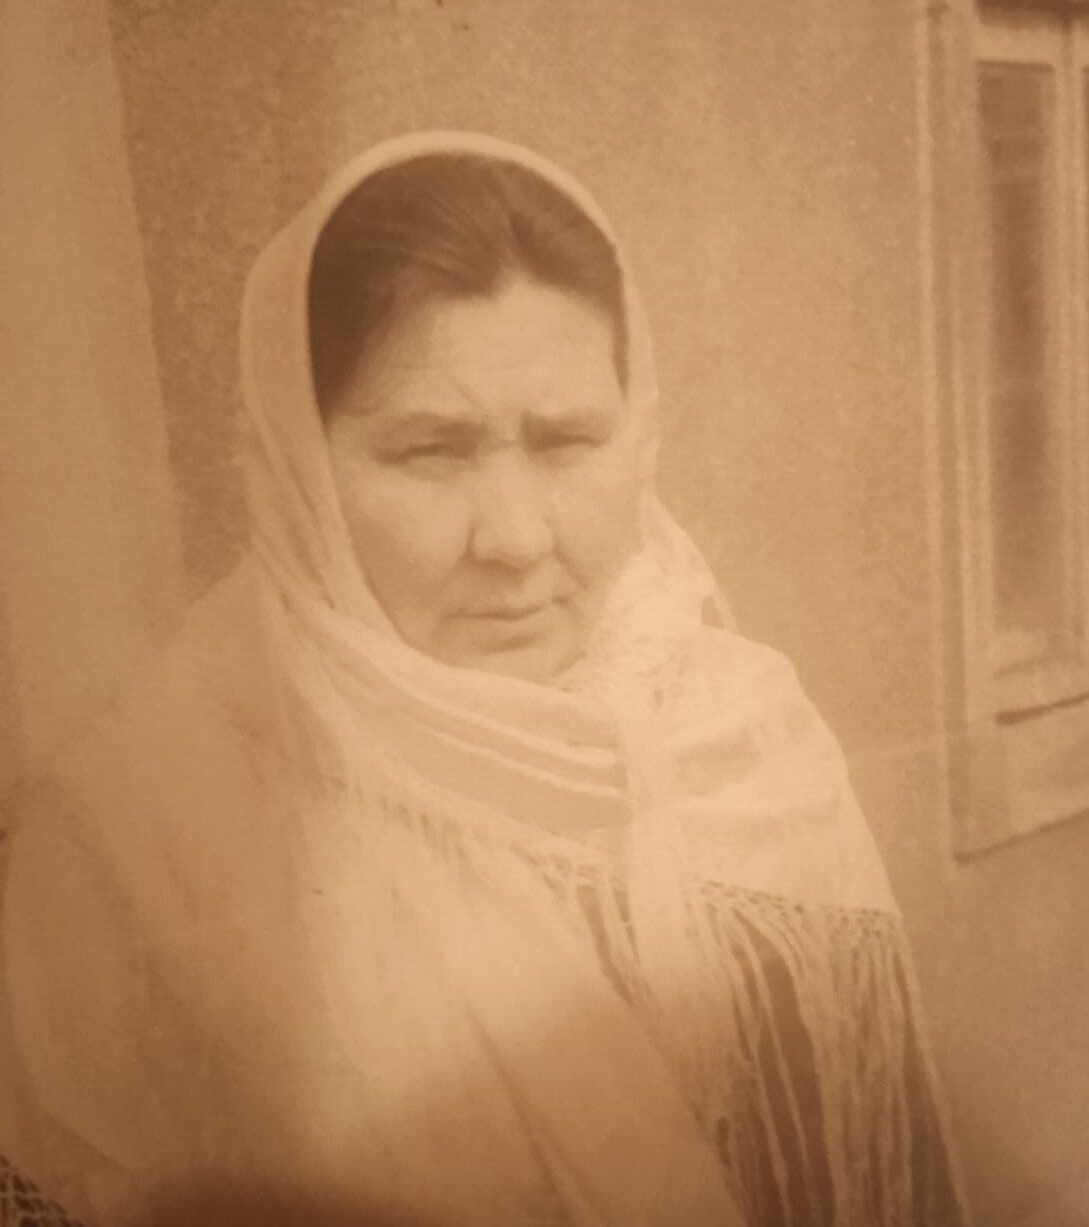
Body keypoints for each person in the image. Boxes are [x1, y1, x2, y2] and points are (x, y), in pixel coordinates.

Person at [0, 132, 970, 1227]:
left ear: (639, 435)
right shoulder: (130, 837)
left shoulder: (746, 726)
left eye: (566, 441)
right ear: (295, 464)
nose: (513, 539)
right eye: (432, 451)